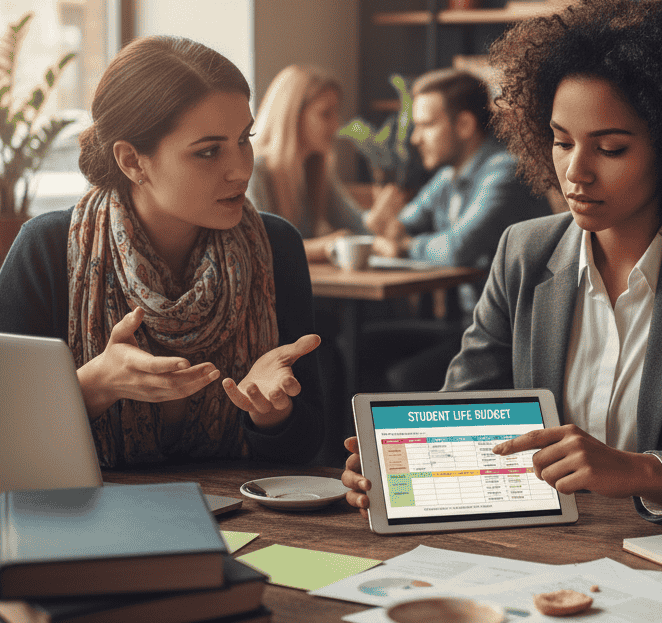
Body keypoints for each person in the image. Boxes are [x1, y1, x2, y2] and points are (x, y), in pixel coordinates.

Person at [344, 0, 662, 525]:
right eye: (561, 140)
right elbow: (464, 410)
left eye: (611, 147)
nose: (575, 173)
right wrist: (401, 465)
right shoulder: (524, 251)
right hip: (541, 548)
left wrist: (639, 471)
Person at [0, 36, 324, 467]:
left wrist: (274, 415)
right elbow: (10, 447)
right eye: (209, 151)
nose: (242, 168)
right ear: (133, 161)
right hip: (80, 523)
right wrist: (93, 386)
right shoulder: (46, 250)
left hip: (246, 526)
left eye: (244, 139)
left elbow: (309, 447)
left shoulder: (276, 247)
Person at [358, 68, 551, 392]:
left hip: (513, 337)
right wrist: (386, 224)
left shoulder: (504, 172)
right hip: (468, 326)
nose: (416, 138)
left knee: (404, 377)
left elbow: (459, 247)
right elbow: (403, 224)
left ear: (463, 125)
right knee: (356, 350)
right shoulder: (449, 176)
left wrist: (403, 245)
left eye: (426, 125)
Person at [248, 64, 369, 263]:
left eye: (336, 113)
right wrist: (327, 246)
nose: (336, 125)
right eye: (325, 114)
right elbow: (259, 247)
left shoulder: (316, 171)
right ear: (294, 115)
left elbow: (358, 225)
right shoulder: (254, 171)